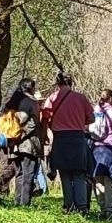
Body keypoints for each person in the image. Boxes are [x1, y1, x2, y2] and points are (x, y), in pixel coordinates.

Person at [42, 72, 95, 215]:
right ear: (71, 82)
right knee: (79, 174)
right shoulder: (81, 98)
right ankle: (82, 207)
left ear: (57, 83)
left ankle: (69, 206)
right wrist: (78, 120)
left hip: (60, 139)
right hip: (78, 139)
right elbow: (92, 119)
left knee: (64, 174)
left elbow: (45, 118)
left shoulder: (51, 98)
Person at [4, 78, 43, 206]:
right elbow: (28, 121)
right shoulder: (31, 102)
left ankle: (17, 201)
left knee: (19, 173)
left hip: (14, 143)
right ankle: (25, 203)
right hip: (29, 144)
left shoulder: (12, 102)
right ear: (31, 88)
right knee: (29, 173)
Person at [89, 89, 112, 220]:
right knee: (109, 181)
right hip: (110, 148)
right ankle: (110, 211)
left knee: (98, 180)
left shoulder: (96, 109)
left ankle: (102, 210)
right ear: (110, 99)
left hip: (96, 148)